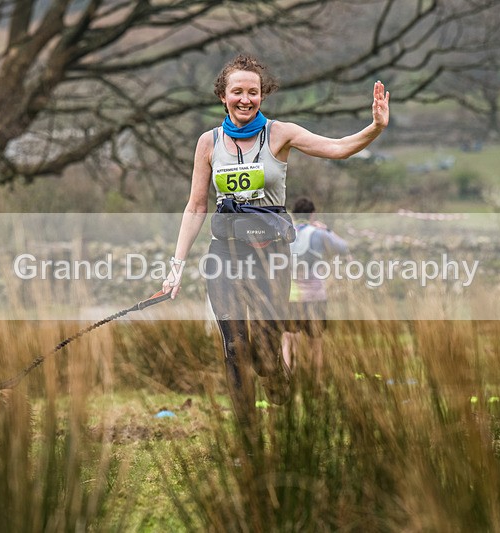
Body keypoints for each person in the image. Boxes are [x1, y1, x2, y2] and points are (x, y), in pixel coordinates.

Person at [162, 54, 390, 428]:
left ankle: (279, 382)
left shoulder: (280, 134)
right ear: (223, 95)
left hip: (270, 254)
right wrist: (176, 265)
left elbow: (337, 148)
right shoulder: (208, 142)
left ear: (262, 96)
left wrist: (375, 128)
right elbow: (196, 206)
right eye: (238, 92)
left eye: (253, 92)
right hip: (225, 253)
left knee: (268, 354)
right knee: (235, 347)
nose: (245, 99)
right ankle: (247, 436)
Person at [282, 197, 349, 383]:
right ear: (312, 214)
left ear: (294, 215)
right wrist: (326, 229)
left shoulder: (286, 233)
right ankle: (316, 385)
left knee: (288, 343)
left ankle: (288, 384)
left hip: (291, 298)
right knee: (316, 345)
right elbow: (344, 248)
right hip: (315, 297)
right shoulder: (319, 234)